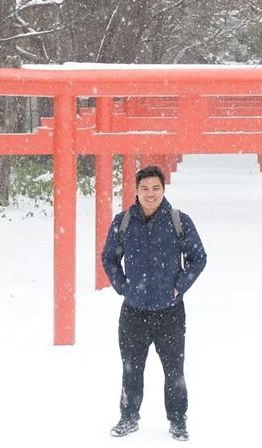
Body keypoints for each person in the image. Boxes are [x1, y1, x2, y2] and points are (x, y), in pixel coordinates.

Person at [101, 165, 207, 442]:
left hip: (170, 313)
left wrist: (179, 286)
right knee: (131, 369)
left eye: (155, 188)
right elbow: (108, 258)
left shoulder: (177, 221)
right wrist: (122, 286)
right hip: (133, 312)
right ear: (136, 190)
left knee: (174, 372)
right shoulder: (123, 222)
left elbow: (199, 258)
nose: (150, 194)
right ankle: (128, 417)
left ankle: (177, 420)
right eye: (145, 188)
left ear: (163, 189)